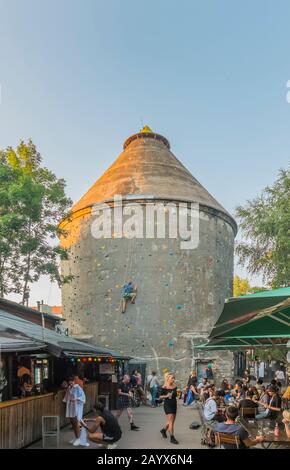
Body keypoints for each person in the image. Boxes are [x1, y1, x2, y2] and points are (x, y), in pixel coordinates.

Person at [63, 376, 86, 446]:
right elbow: (66, 397)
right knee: (72, 422)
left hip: (77, 407)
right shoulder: (69, 388)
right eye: (69, 381)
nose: (70, 382)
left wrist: (76, 399)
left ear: (74, 381)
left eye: (71, 381)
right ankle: (76, 437)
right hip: (70, 407)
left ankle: (79, 438)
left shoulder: (77, 387)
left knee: (76, 422)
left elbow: (83, 396)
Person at [159, 373, 179, 444]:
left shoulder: (175, 386)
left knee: (172, 421)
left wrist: (181, 393)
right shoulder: (164, 387)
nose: (173, 379)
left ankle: (164, 430)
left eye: (174, 378)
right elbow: (160, 397)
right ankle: (172, 437)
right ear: (168, 379)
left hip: (174, 404)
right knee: (171, 422)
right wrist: (166, 396)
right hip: (167, 405)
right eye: (172, 378)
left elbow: (176, 395)